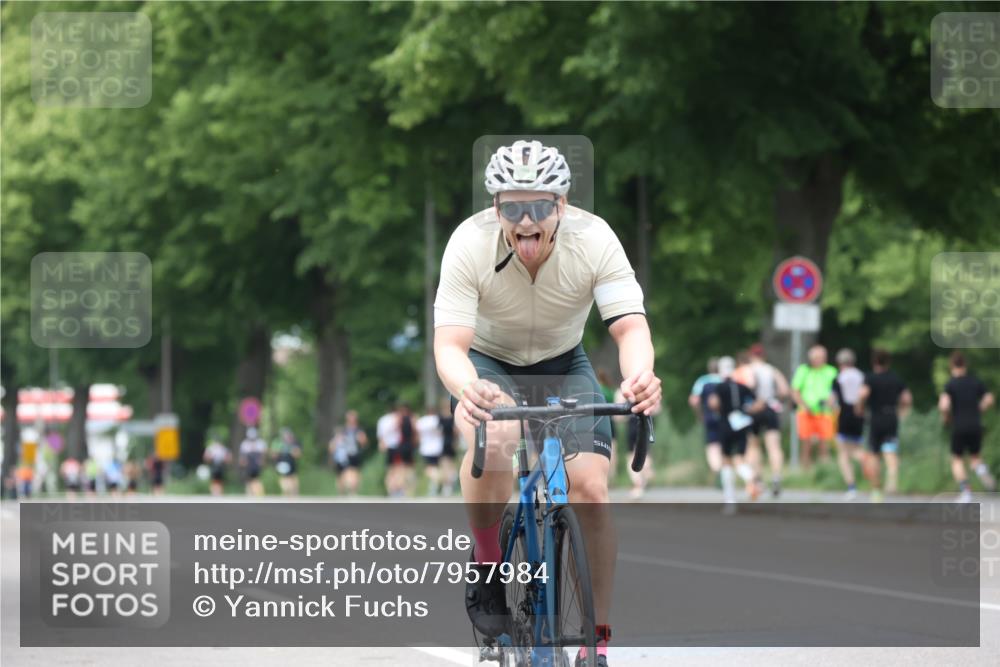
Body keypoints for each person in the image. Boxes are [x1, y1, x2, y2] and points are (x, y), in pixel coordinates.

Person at [434, 139, 660, 667]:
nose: (527, 220)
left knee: (591, 491)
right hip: (489, 364)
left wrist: (641, 376)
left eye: (540, 206)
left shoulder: (595, 238)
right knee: (498, 441)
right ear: (496, 209)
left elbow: (630, 327)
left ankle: (596, 639)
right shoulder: (469, 242)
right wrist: (469, 388)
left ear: (562, 205)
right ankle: (489, 568)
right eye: (513, 207)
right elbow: (449, 346)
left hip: (563, 362)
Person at [706, 356, 764, 506]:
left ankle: (730, 498)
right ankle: (752, 477)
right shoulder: (742, 386)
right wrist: (747, 411)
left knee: (726, 460)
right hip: (742, 424)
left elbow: (714, 404)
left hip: (725, 424)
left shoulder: (718, 387)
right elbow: (759, 402)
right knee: (740, 458)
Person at [939, 351, 996, 503]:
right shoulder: (975, 382)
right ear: (965, 365)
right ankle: (982, 470)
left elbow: (944, 405)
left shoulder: (950, 384)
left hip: (958, 425)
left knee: (957, 459)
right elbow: (989, 398)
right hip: (975, 425)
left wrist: (946, 418)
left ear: (952, 365)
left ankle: (966, 492)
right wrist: (980, 408)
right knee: (975, 457)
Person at [856, 349, 911, 502]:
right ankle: (892, 480)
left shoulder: (870, 378)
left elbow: (863, 395)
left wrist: (860, 408)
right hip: (891, 417)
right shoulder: (895, 378)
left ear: (874, 362)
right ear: (888, 362)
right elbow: (907, 398)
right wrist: (902, 411)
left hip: (875, 418)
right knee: (890, 451)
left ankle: (876, 490)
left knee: (874, 454)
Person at [745, 344, 789, 497]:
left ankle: (758, 480)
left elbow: (748, 386)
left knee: (753, 446)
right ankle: (776, 477)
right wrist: (774, 397)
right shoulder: (771, 370)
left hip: (754, 409)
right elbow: (784, 390)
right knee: (774, 446)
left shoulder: (748, 369)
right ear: (763, 356)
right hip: (771, 408)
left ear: (751, 356)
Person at [791, 345, 838, 468]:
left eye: (822, 357)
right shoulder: (803, 370)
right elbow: (795, 390)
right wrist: (804, 405)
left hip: (825, 412)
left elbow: (836, 391)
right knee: (807, 442)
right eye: (817, 357)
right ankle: (805, 469)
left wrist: (832, 401)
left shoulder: (831, 371)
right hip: (806, 411)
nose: (819, 360)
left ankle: (824, 470)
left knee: (825, 442)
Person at [830, 348, 866, 500]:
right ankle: (871, 466)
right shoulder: (862, 376)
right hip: (859, 414)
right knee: (856, 448)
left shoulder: (839, 378)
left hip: (844, 415)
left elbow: (832, 401)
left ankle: (851, 486)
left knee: (844, 453)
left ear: (840, 363)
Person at [329, 410, 368, 496]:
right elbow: (333, 443)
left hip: (354, 454)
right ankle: (342, 493)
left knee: (353, 473)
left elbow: (364, 442)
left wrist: (360, 439)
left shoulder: (359, 430)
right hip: (342, 455)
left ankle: (353, 492)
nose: (352, 419)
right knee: (341, 475)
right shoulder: (342, 430)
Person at [416, 406, 445, 496]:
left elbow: (417, 434)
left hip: (426, 448)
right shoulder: (438, 419)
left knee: (428, 468)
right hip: (438, 447)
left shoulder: (422, 421)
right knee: (436, 467)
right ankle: (434, 485)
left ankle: (439, 479)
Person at [377, 406, 404, 496]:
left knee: (390, 470)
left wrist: (382, 444)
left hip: (387, 446)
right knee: (398, 469)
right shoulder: (396, 418)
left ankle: (391, 490)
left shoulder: (382, 420)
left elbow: (380, 435)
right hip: (396, 446)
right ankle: (396, 489)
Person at [437, 398, 459, 496]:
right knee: (451, 462)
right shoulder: (453, 417)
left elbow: (439, 431)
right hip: (451, 441)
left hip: (444, 442)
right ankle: (452, 478)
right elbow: (455, 431)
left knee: (444, 463)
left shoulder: (440, 417)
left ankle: (447, 484)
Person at [272, 427, 302, 496]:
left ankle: (294, 496)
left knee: (293, 483)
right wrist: (278, 451)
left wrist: (291, 450)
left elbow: (297, 454)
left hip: (292, 466)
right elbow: (274, 455)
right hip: (282, 465)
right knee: (285, 484)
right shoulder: (278, 443)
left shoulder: (295, 443)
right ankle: (286, 496)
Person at [238, 427, 267, 496]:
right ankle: (249, 494)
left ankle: (258, 494)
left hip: (256, 464)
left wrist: (262, 461)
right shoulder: (245, 443)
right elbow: (242, 455)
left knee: (256, 479)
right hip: (248, 464)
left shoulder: (260, 443)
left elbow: (263, 454)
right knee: (248, 480)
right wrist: (242, 462)